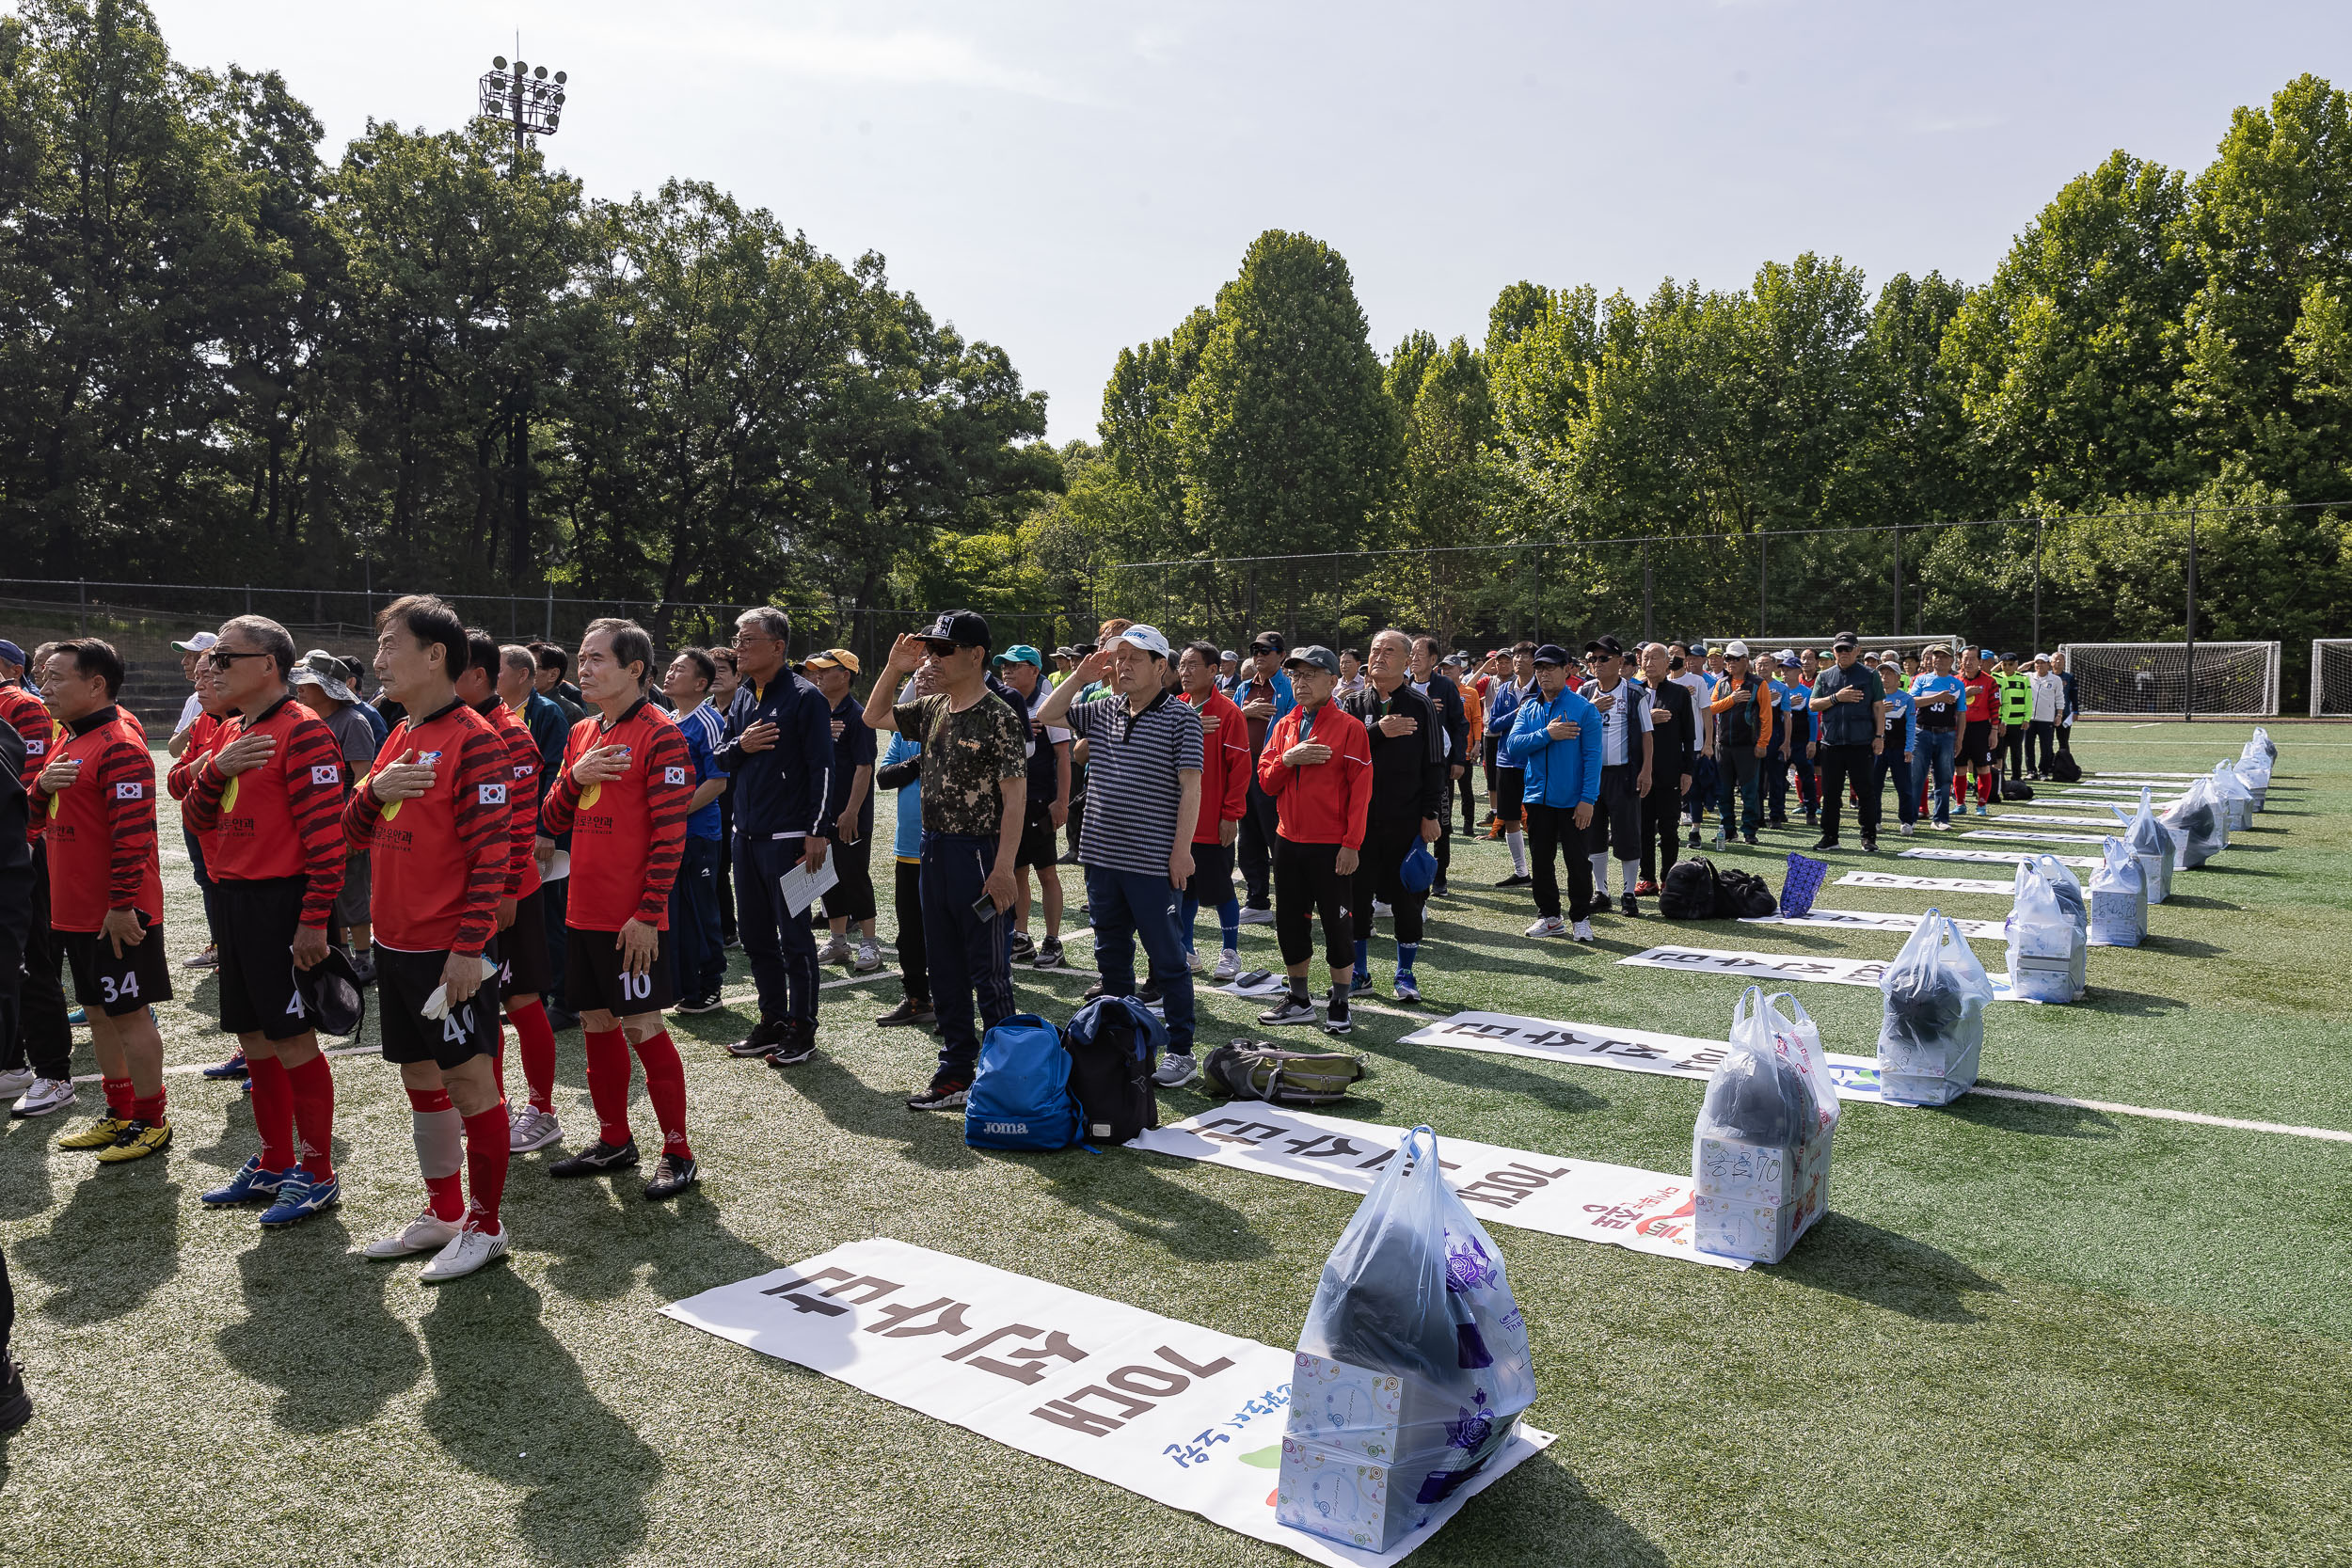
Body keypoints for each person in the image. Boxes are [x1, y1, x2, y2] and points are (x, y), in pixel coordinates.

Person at [346, 595, 514, 1281]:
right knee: (421, 1077)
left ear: (436, 654)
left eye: (391, 646)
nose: (379, 660)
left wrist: (469, 948)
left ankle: (486, 1224)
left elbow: (492, 858)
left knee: (472, 1082)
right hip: (397, 943)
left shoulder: (475, 739)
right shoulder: (397, 732)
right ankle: (444, 1213)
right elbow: (353, 831)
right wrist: (374, 788)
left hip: (452, 951)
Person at [174, 616, 349, 1224]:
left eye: (225, 657)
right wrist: (216, 767)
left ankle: (318, 1172)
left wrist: (313, 921)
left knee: (293, 1039)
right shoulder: (230, 731)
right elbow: (196, 818)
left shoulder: (303, 732)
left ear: (269, 664)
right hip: (233, 902)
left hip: (282, 904)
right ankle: (275, 1161)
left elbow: (330, 843)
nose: (212, 666)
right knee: (253, 1038)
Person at [533, 619, 698, 1198]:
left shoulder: (663, 736)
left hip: (634, 920)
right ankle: (614, 1140)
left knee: (643, 1025)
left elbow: (670, 836)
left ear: (636, 670)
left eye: (596, 658)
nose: (584, 668)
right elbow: (551, 823)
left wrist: (649, 913)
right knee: (595, 1022)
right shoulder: (581, 733)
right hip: (583, 911)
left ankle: (677, 1151)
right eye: (581, 658)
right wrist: (573, 778)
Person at [863, 611, 1028, 1111]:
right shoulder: (933, 705)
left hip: (978, 853)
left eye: (944, 649)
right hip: (933, 850)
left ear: (976, 656)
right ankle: (956, 1069)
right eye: (930, 649)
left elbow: (1015, 800)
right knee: (944, 966)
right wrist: (893, 669)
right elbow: (874, 717)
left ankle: (1007, 1076)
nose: (933, 657)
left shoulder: (1000, 716)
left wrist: (1003, 870)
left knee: (989, 969)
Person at [1033, 626, 1204, 1075]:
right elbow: (1049, 713)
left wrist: (1181, 850)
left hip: (1152, 861)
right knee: (1110, 955)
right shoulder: (1103, 707)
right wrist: (1079, 677)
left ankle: (1181, 1050)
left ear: (1160, 667)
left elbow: (1191, 789)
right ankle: (1124, 1041)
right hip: (1102, 856)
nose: (1123, 666)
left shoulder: (1181, 718)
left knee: (1167, 958)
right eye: (1119, 657)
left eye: (1135, 658)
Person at [35, 639, 173, 1163]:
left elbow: (134, 836)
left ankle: (150, 1120)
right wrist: (41, 788)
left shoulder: (119, 744)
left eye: (55, 678)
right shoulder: (67, 740)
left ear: (96, 684)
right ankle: (118, 1113)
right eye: (43, 677)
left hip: (118, 915)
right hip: (72, 910)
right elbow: (34, 822)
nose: (44, 688)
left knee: (129, 1015)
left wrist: (119, 906)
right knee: (97, 1012)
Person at [715, 607, 836, 1066]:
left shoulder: (806, 698)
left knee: (796, 939)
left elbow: (823, 770)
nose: (739, 647)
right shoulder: (744, 693)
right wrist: (741, 745)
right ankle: (772, 1021)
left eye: (748, 640)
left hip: (791, 840)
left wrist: (817, 832)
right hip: (744, 837)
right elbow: (723, 757)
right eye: (738, 639)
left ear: (778, 647)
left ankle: (802, 1029)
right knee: (756, 937)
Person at [456, 634, 559, 1155]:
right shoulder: (454, 726)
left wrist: (507, 888)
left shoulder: (510, 734)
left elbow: (520, 823)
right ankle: (491, 1105)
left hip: (509, 894)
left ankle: (542, 1111)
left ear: (477, 675)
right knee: (483, 1002)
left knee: (520, 1001)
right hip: (471, 894)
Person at [1253, 646, 1372, 1034]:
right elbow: (1267, 782)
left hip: (1331, 845)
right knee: (1290, 922)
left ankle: (1339, 1002)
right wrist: (1290, 759)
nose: (1300, 682)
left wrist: (1352, 843)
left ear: (1333, 680)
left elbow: (1361, 791)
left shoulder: (1350, 728)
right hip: (1288, 841)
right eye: (1295, 675)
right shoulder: (1284, 724)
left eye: (1310, 675)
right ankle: (1300, 999)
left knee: (1338, 925)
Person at [1337, 629, 1443, 1003]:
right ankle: (1361, 973)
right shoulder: (1353, 703)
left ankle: (1405, 974)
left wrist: (1431, 813)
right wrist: (1378, 731)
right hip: (1360, 821)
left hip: (1405, 820)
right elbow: (1342, 752)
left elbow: (1434, 763)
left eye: (1389, 651)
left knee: (1406, 899)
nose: (1380, 656)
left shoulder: (1420, 703)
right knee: (1357, 897)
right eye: (1375, 650)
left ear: (1407, 660)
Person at [0, 642, 70, 1118]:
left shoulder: (19, 705)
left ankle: (46, 1070)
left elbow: (28, 779)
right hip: (20, 845)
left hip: (22, 849)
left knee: (30, 959)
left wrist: (24, 836)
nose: (46, 690)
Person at [291, 650, 381, 983]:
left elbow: (362, 779)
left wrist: (352, 828)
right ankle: (340, 952)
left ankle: (363, 959)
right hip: (318, 823)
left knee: (353, 890)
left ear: (328, 688)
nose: (299, 689)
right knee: (331, 892)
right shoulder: (310, 721)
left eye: (308, 683)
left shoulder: (352, 722)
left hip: (344, 821)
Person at [1502, 644, 1603, 941]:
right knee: (1541, 861)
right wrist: (1548, 733)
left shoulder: (1583, 709)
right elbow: (1513, 745)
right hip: (1537, 798)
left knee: (1577, 861)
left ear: (1567, 670)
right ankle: (1549, 917)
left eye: (1550, 668)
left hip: (1573, 802)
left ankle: (1581, 918)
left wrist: (1587, 800)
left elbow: (1593, 758)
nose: (1544, 674)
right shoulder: (1530, 707)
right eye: (1539, 668)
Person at [801, 650, 882, 975]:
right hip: (821, 814)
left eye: (825, 671)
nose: (817, 676)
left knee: (854, 875)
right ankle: (837, 941)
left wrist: (851, 812)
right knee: (825, 876)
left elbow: (865, 767)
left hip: (850, 815)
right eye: (815, 671)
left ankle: (870, 942)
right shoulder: (815, 710)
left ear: (846, 675)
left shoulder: (858, 716)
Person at [1174, 640, 1249, 984]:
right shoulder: (1176, 708)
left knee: (1221, 891)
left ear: (1213, 670)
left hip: (1212, 821)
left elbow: (1240, 768)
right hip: (1178, 824)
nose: (1185, 672)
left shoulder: (1229, 712)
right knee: (1183, 889)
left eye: (1192, 665)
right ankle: (1188, 949)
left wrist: (1230, 814)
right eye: (1182, 665)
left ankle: (1230, 950)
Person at [661, 648, 730, 1013]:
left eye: (680, 670)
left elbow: (718, 782)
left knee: (701, 910)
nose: (670, 673)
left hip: (698, 835)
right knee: (677, 913)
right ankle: (685, 982)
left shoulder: (708, 721)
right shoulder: (671, 718)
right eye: (670, 667)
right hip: (672, 836)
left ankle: (709, 984)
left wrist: (673, 815)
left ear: (701, 683)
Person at [993, 645, 1071, 970]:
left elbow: (1063, 756)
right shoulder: (1000, 703)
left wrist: (1061, 801)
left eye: (1016, 665)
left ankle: (1053, 940)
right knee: (1017, 871)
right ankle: (1021, 936)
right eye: (1004, 665)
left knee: (1047, 873)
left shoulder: (1047, 706)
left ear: (1035, 671)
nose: (1007, 671)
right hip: (1011, 803)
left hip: (1039, 802)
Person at [871, 665, 939, 1030]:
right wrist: (918, 761)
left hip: (949, 845)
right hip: (908, 847)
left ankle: (949, 1001)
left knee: (948, 929)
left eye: (931, 676)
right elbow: (885, 777)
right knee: (909, 931)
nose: (923, 681)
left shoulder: (961, 720)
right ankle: (917, 998)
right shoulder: (905, 730)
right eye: (919, 678)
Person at [1576, 635, 1652, 915]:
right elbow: (1572, 728)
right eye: (1592, 659)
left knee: (1627, 834)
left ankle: (1629, 893)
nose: (1597, 663)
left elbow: (1647, 735)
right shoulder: (1584, 693)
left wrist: (1646, 770)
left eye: (1603, 658)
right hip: (1591, 776)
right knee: (1593, 834)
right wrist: (1591, 709)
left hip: (1623, 774)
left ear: (1620, 662)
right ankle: (1601, 891)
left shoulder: (1634, 694)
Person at [165, 631, 227, 971]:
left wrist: (199, 771)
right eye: (199, 674)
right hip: (199, 819)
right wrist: (199, 768)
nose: (199, 681)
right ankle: (223, 945)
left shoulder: (245, 723)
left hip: (231, 831)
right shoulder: (202, 718)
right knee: (208, 880)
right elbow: (175, 781)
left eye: (208, 674)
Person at [1230, 631, 1295, 921]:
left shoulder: (1291, 687)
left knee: (1277, 835)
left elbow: (1297, 726)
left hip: (1274, 769)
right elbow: (1229, 723)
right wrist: (1246, 711)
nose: (1258, 655)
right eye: (1255, 650)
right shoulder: (1244, 688)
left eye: (1265, 651)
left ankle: (1292, 899)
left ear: (1281, 655)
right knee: (1248, 836)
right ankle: (1257, 901)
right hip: (1245, 767)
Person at [1806, 633, 1888, 852]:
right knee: (1831, 794)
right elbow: (1813, 705)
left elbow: (1879, 708)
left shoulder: (1870, 675)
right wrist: (1836, 698)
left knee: (1865, 792)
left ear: (1857, 651)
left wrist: (1879, 737)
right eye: (1839, 649)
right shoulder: (1824, 676)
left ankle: (1869, 837)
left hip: (1861, 744)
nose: (1843, 653)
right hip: (1831, 744)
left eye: (1848, 649)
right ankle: (1830, 837)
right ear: (1833, 651)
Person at [1406, 637, 1469, 899]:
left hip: (1438, 765)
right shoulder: (1403, 683)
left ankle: (1440, 876)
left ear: (1433, 660)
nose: (1414, 658)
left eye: (1420, 653)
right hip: (1407, 765)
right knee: (1408, 820)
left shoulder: (1444, 685)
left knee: (1440, 819)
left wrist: (1457, 759)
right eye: (1411, 653)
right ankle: (1408, 872)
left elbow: (1459, 724)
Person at [1634, 642, 1694, 895]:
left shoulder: (1679, 693)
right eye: (1645, 658)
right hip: (1639, 771)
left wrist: (1687, 770)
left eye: (1655, 658)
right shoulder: (1633, 691)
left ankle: (1668, 878)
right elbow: (1624, 726)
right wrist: (1649, 716)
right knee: (1643, 827)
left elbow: (1689, 735)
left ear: (1667, 662)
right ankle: (1646, 877)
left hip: (1670, 770)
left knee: (1668, 828)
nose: (1649, 663)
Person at [1708, 641, 1774, 847]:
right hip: (1723, 746)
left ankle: (1749, 830)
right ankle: (1728, 830)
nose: (1730, 662)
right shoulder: (1721, 683)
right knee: (1723, 790)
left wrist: (1762, 743)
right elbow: (1711, 708)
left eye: (1735, 658)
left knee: (1749, 791)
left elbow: (1766, 717)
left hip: (1748, 746)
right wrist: (1733, 699)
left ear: (1746, 660)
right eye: (1728, 658)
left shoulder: (1758, 684)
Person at [1484, 641, 1537, 885]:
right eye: (1516, 655)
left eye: (1524, 656)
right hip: (1506, 762)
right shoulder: (1504, 689)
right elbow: (1492, 725)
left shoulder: (1543, 688)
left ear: (1535, 661)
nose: (1518, 660)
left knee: (1538, 819)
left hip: (1535, 761)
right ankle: (1521, 872)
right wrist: (1515, 714)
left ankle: (1543, 872)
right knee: (1510, 817)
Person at [1909, 645, 1963, 831]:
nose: (1938, 659)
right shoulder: (1921, 679)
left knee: (1944, 777)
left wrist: (1959, 739)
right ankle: (1910, 818)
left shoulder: (1957, 684)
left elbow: (1961, 713)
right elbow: (1912, 702)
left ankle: (1940, 819)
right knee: (1916, 777)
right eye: (1936, 656)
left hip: (1946, 734)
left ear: (1951, 660)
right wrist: (1937, 698)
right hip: (1922, 732)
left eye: (1943, 656)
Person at [1873, 648, 1920, 837]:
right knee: (1874, 786)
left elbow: (1911, 726)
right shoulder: (1873, 698)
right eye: (1881, 673)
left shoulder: (1907, 699)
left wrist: (1909, 748)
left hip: (1899, 749)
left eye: (1889, 673)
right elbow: (1868, 723)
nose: (1884, 676)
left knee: (1904, 787)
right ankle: (1874, 820)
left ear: (1898, 677)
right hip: (1877, 749)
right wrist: (1878, 711)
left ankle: (1907, 821)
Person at [1958, 646, 2002, 817]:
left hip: (1981, 729)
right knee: (1959, 768)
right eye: (1965, 659)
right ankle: (1960, 804)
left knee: (1983, 767)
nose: (1968, 662)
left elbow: (1995, 709)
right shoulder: (1955, 680)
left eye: (1972, 659)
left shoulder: (1990, 681)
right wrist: (1963, 692)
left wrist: (1994, 731)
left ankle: (1982, 805)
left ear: (1979, 662)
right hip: (1960, 729)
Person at [1995, 652, 2032, 784]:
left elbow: (2028, 700)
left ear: (2016, 664)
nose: (2007, 667)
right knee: (2000, 751)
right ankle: (2000, 778)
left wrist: (2027, 718)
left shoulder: (2023, 679)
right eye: (2004, 664)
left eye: (2010, 664)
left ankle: (2016, 777)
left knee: (2016, 751)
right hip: (2001, 722)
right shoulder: (1996, 678)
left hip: (2017, 722)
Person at [2027, 654, 2063, 778]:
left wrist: (2059, 715)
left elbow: (2059, 698)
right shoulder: (2028, 676)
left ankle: (2044, 771)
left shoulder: (2055, 680)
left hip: (2047, 719)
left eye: (2043, 662)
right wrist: (2026, 665)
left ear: (2048, 664)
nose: (2040, 665)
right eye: (2037, 662)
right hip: (2029, 718)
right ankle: (2031, 771)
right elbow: (2012, 672)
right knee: (2028, 746)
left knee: (2046, 747)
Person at [2052, 649, 2079, 757]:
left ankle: (2065, 764)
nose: (2058, 662)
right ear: (2051, 662)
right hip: (2047, 714)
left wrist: (2076, 711)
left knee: (2063, 740)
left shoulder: (2069, 677)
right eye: (2056, 659)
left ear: (2064, 662)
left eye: (2061, 660)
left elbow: (2074, 695)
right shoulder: (2046, 676)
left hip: (2064, 713)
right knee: (2047, 742)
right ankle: (2048, 763)